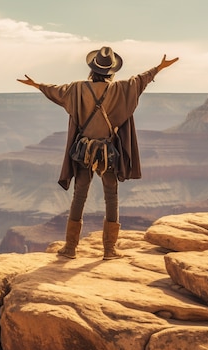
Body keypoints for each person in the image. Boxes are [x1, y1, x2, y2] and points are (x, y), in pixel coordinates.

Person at [17, 47, 178, 260]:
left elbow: (55, 91)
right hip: (108, 153)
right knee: (111, 197)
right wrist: (159, 67)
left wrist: (37, 84)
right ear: (111, 71)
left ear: (92, 69)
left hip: (84, 151)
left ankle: (70, 249)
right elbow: (141, 80)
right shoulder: (121, 89)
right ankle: (110, 250)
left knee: (79, 197)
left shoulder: (77, 89)